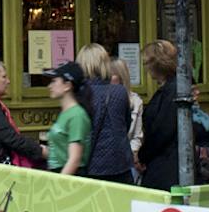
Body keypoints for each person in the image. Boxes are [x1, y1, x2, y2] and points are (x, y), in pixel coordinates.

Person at [138, 40, 209, 191]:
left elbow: (162, 131)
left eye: (146, 63)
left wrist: (143, 154)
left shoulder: (173, 90)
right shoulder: (175, 87)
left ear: (155, 64)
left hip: (169, 167)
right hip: (172, 163)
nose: (145, 68)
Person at [73, 44, 134, 184]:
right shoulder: (120, 92)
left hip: (91, 166)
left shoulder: (79, 95)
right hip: (120, 165)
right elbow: (126, 124)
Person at [42, 62, 92, 175]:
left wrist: (59, 185)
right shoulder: (66, 113)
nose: (49, 86)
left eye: (54, 81)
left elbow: (74, 159)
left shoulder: (77, 115)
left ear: (67, 86)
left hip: (69, 179)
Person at [107, 57, 143, 167]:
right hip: (106, 155)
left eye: (111, 75)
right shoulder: (101, 98)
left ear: (121, 77)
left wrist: (131, 155)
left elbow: (137, 136)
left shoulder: (135, 101)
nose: (107, 78)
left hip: (126, 158)